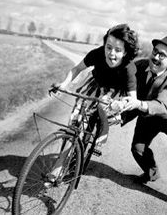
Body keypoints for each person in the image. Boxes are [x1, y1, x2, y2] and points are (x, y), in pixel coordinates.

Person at [55, 23, 139, 150]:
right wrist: (64, 84)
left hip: (115, 91)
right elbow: (77, 69)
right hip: (96, 83)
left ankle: (104, 126)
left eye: (118, 50)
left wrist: (121, 104)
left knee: (103, 105)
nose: (111, 53)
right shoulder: (97, 53)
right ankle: (67, 147)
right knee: (77, 113)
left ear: (125, 52)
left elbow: (133, 99)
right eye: (108, 47)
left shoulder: (129, 68)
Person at [121, 36, 167, 184]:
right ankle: (151, 173)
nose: (156, 57)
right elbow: (123, 78)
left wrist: (138, 104)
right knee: (138, 149)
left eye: (162, 55)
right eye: (155, 52)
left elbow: (162, 106)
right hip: (148, 117)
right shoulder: (140, 66)